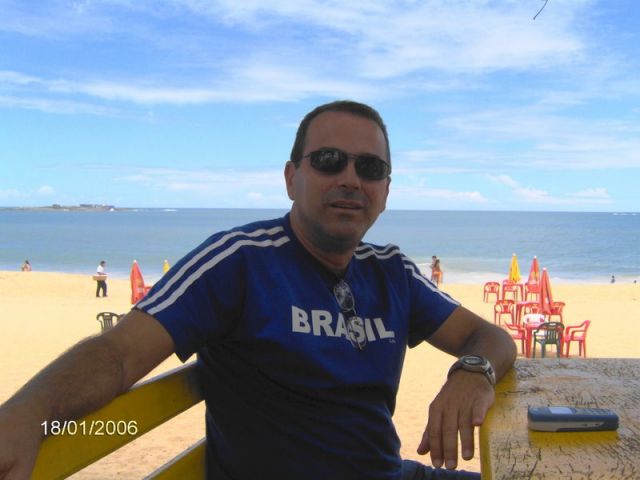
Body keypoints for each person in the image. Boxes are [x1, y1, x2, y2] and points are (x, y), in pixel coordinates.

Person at [0, 100, 516, 480]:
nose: (351, 179)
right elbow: (119, 352)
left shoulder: (391, 271)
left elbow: (490, 337)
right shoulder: (239, 261)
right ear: (291, 178)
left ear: (385, 190)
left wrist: (472, 371)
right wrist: (29, 412)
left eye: (370, 168)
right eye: (329, 160)